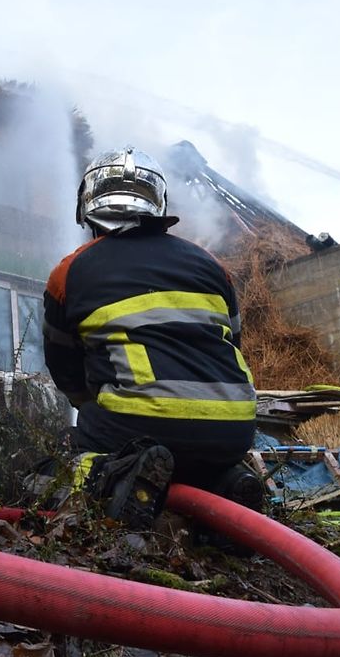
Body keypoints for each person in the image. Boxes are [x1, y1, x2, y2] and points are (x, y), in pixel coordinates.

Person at [42, 146, 264, 530]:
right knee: (192, 456)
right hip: (235, 428)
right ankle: (227, 486)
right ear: (158, 204)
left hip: (137, 424)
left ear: (87, 207)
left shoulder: (70, 271)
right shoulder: (213, 266)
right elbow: (232, 344)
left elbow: (64, 368)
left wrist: (97, 410)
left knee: (59, 460)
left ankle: (114, 480)